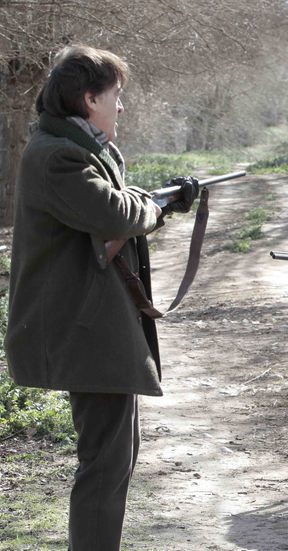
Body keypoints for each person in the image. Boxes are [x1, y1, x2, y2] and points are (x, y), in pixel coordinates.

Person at [4, 45, 198, 550]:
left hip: (94, 327)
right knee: (105, 462)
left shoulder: (80, 149)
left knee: (115, 456)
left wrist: (164, 204)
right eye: (116, 96)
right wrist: (150, 207)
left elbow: (110, 215)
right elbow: (113, 214)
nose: (121, 106)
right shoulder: (57, 156)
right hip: (82, 329)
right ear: (90, 99)